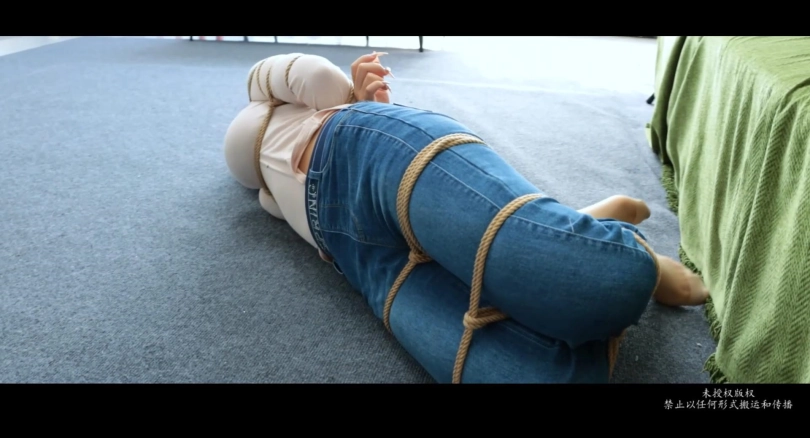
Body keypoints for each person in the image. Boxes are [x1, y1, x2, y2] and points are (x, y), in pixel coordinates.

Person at [223, 51, 709, 383]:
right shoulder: (264, 193)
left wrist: (354, 100)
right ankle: (584, 225)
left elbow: (314, 78)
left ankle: (634, 255)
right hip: (355, 257)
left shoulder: (265, 85)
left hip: (364, 149)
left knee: (611, 282)